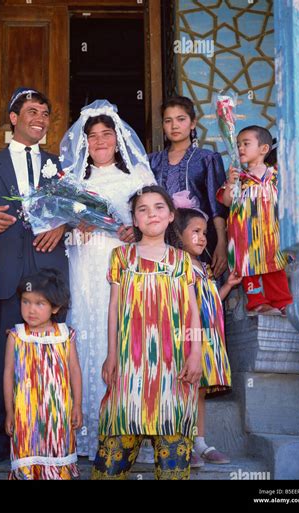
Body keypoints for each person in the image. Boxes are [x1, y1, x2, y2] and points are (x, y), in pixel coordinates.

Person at [0, 87, 69, 464]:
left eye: (45, 113)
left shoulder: (59, 164)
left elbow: (74, 208)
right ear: (14, 118)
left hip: (49, 269)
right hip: (4, 270)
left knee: (49, 354)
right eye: (31, 111)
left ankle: (44, 430)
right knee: (6, 354)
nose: (39, 119)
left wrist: (63, 224)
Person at [59, 99, 156, 459]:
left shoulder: (138, 177)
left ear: (118, 139)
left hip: (124, 264)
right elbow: (59, 225)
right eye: (93, 136)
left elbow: (154, 216)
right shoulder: (71, 181)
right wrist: (74, 223)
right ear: (84, 142)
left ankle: (126, 429)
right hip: (84, 262)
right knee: (86, 327)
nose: (100, 141)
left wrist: (135, 228)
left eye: (106, 134)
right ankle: (85, 431)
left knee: (123, 332)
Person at [92, 185, 202, 480]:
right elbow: (114, 309)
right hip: (130, 364)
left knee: (172, 442)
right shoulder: (121, 257)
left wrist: (196, 354)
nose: (151, 213)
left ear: (170, 216)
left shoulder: (182, 261)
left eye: (158, 207)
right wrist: (111, 355)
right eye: (142, 209)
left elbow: (193, 312)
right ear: (135, 221)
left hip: (173, 364)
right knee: (116, 443)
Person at [172, 202, 242, 467]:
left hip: (210, 340)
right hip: (188, 338)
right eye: (195, 231)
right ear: (178, 235)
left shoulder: (204, 267)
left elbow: (210, 301)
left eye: (204, 233)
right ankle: (182, 442)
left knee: (199, 391)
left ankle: (199, 442)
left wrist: (227, 286)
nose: (202, 237)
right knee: (184, 390)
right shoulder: (177, 266)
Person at [4, 268, 82, 479]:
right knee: (27, 453)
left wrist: (77, 406)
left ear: (55, 307)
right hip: (25, 413)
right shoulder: (16, 335)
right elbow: (8, 374)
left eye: (40, 304)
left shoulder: (65, 335)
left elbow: (74, 370)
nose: (31, 310)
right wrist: (10, 412)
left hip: (58, 413)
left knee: (58, 452)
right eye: (26, 301)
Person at [148, 96, 228, 278]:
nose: (174, 126)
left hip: (201, 241)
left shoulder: (207, 158)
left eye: (181, 119)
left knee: (199, 292)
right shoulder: (152, 161)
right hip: (162, 239)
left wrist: (222, 244)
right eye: (168, 121)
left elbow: (217, 207)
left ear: (193, 123)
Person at [216, 125, 292, 315]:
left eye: (246, 144)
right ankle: (257, 302)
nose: (240, 148)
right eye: (238, 144)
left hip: (271, 232)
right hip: (245, 235)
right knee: (249, 267)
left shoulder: (276, 175)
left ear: (264, 149)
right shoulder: (239, 178)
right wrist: (231, 183)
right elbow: (226, 201)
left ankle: (283, 301)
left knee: (275, 266)